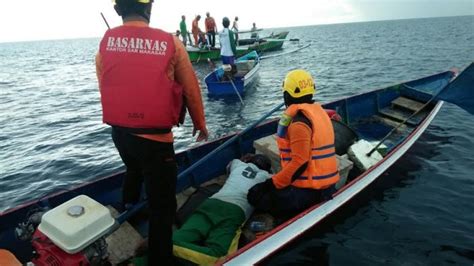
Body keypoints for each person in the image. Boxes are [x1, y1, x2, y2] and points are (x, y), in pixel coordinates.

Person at [95, 0, 209, 264]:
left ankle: (128, 208)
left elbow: (106, 85)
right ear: (149, 9)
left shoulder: (104, 45)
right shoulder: (170, 42)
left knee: (133, 169)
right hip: (155, 142)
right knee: (163, 207)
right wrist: (200, 124)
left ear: (118, 9)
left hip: (120, 135)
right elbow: (191, 88)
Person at [247, 70, 339, 218]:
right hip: (325, 185)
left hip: (309, 192)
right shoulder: (319, 113)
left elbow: (300, 163)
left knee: (255, 196)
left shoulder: (298, 124)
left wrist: (270, 184)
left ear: (287, 95)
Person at [173, 154, 272, 264]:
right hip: (234, 212)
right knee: (220, 257)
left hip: (211, 203)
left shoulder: (238, 164)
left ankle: (165, 245)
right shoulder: (267, 176)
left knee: (180, 237)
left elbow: (230, 166)